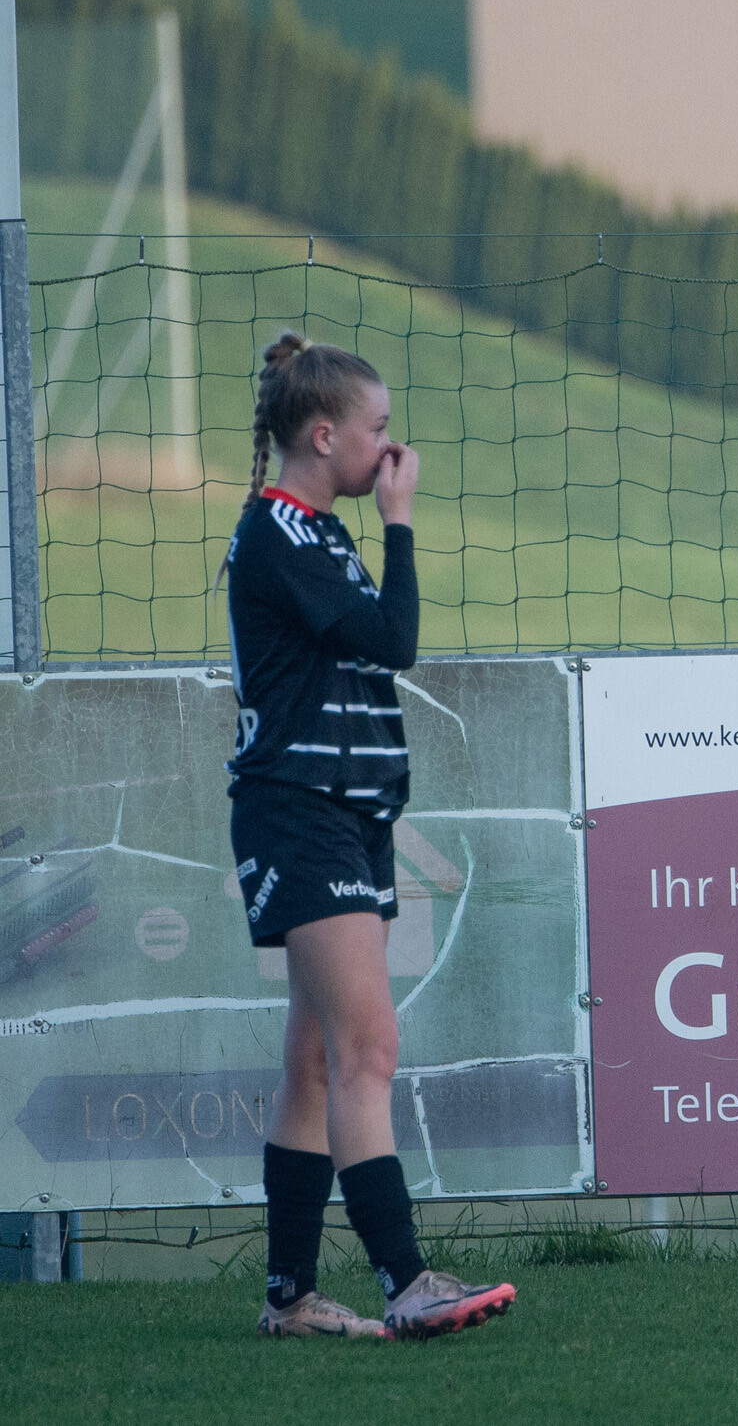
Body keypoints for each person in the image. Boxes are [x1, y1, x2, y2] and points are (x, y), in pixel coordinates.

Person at [224, 332, 515, 1338]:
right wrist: (400, 522)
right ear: (323, 435)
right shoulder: (281, 534)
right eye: (378, 429)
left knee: (316, 1058)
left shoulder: (317, 533)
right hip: (299, 810)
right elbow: (394, 641)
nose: (392, 449)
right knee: (367, 1048)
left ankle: (290, 1299)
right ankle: (406, 1280)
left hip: (350, 811)